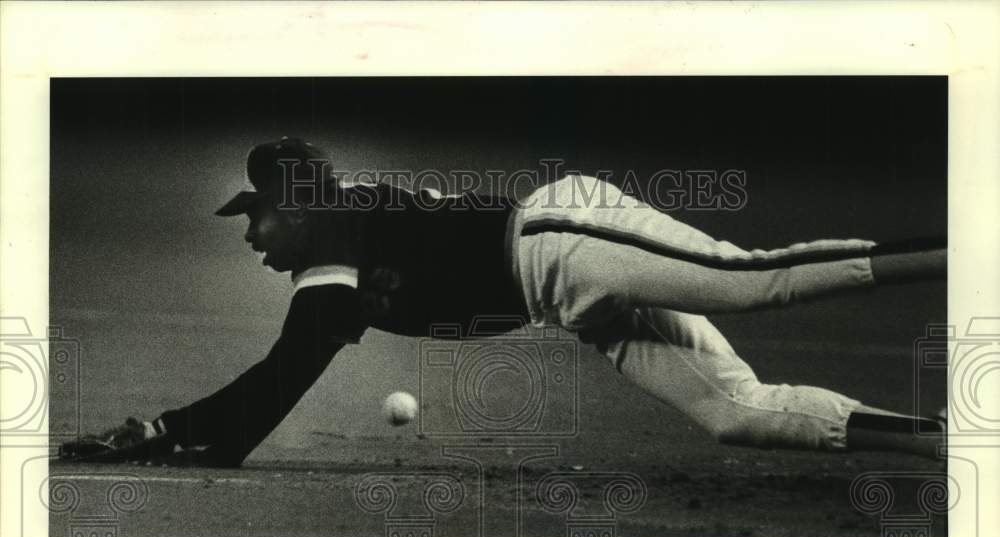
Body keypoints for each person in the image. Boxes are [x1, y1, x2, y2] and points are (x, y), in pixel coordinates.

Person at [59, 137, 947, 468]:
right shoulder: (330, 260)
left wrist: (171, 431)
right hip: (567, 299)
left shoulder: (330, 229)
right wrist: (187, 436)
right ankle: (938, 439)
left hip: (561, 237)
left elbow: (279, 376)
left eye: (254, 218)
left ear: (292, 205)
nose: (251, 237)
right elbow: (276, 386)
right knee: (734, 414)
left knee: (756, 280)